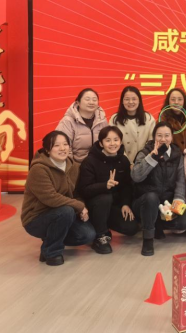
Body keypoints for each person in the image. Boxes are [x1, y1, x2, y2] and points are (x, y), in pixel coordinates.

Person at [21, 131, 95, 266]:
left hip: (63, 214)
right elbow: (51, 198)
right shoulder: (38, 169)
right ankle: (52, 252)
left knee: (87, 235)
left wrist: (81, 206)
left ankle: (49, 242)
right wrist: (78, 206)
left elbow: (76, 193)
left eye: (65, 144)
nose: (62, 148)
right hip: (36, 218)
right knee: (66, 211)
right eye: (56, 145)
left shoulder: (74, 167)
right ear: (47, 150)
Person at [131, 122, 186, 256]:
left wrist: (178, 200)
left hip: (166, 203)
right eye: (159, 135)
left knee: (183, 222)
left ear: (172, 137)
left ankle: (156, 223)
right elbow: (136, 176)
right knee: (151, 197)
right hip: (145, 202)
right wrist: (152, 157)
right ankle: (148, 239)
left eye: (167, 135)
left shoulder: (177, 155)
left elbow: (180, 181)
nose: (163, 139)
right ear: (154, 137)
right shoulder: (144, 153)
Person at [77, 126, 139, 254]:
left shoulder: (123, 160)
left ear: (120, 142)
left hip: (112, 206)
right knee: (105, 197)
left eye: (116, 140)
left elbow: (126, 186)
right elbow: (83, 190)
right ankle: (100, 236)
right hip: (94, 206)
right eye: (108, 140)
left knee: (131, 228)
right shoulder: (90, 161)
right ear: (101, 143)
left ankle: (103, 226)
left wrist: (125, 204)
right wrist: (104, 186)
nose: (112, 144)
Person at [56, 88, 108, 162]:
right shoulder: (67, 122)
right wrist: (73, 166)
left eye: (94, 100)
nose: (91, 102)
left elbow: (107, 142)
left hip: (98, 164)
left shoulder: (102, 120)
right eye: (87, 99)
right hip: (77, 165)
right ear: (78, 103)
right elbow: (64, 149)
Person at [109, 86, 155, 162]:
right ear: (122, 101)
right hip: (120, 161)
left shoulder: (148, 118)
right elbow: (112, 143)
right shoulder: (114, 119)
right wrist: (125, 161)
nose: (130, 102)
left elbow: (151, 142)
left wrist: (140, 160)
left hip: (143, 161)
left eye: (134, 99)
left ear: (139, 100)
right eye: (127, 99)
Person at [159, 88, 186, 152]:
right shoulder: (162, 119)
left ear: (184, 101)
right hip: (169, 156)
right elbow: (160, 140)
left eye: (180, 99)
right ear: (168, 101)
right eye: (173, 99)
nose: (176, 102)